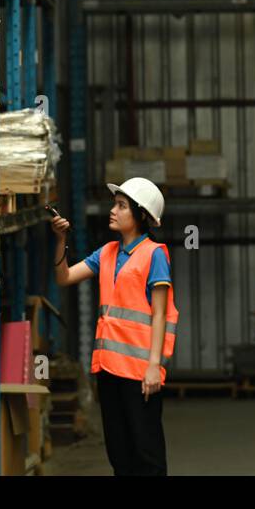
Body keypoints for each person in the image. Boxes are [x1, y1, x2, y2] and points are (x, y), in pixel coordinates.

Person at [51, 177, 178, 475]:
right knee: (119, 454)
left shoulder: (154, 254)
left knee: (146, 454)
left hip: (139, 373)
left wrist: (153, 366)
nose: (113, 210)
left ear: (141, 215)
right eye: (115, 204)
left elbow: (160, 314)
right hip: (108, 370)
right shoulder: (107, 252)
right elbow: (64, 277)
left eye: (121, 206)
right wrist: (60, 240)